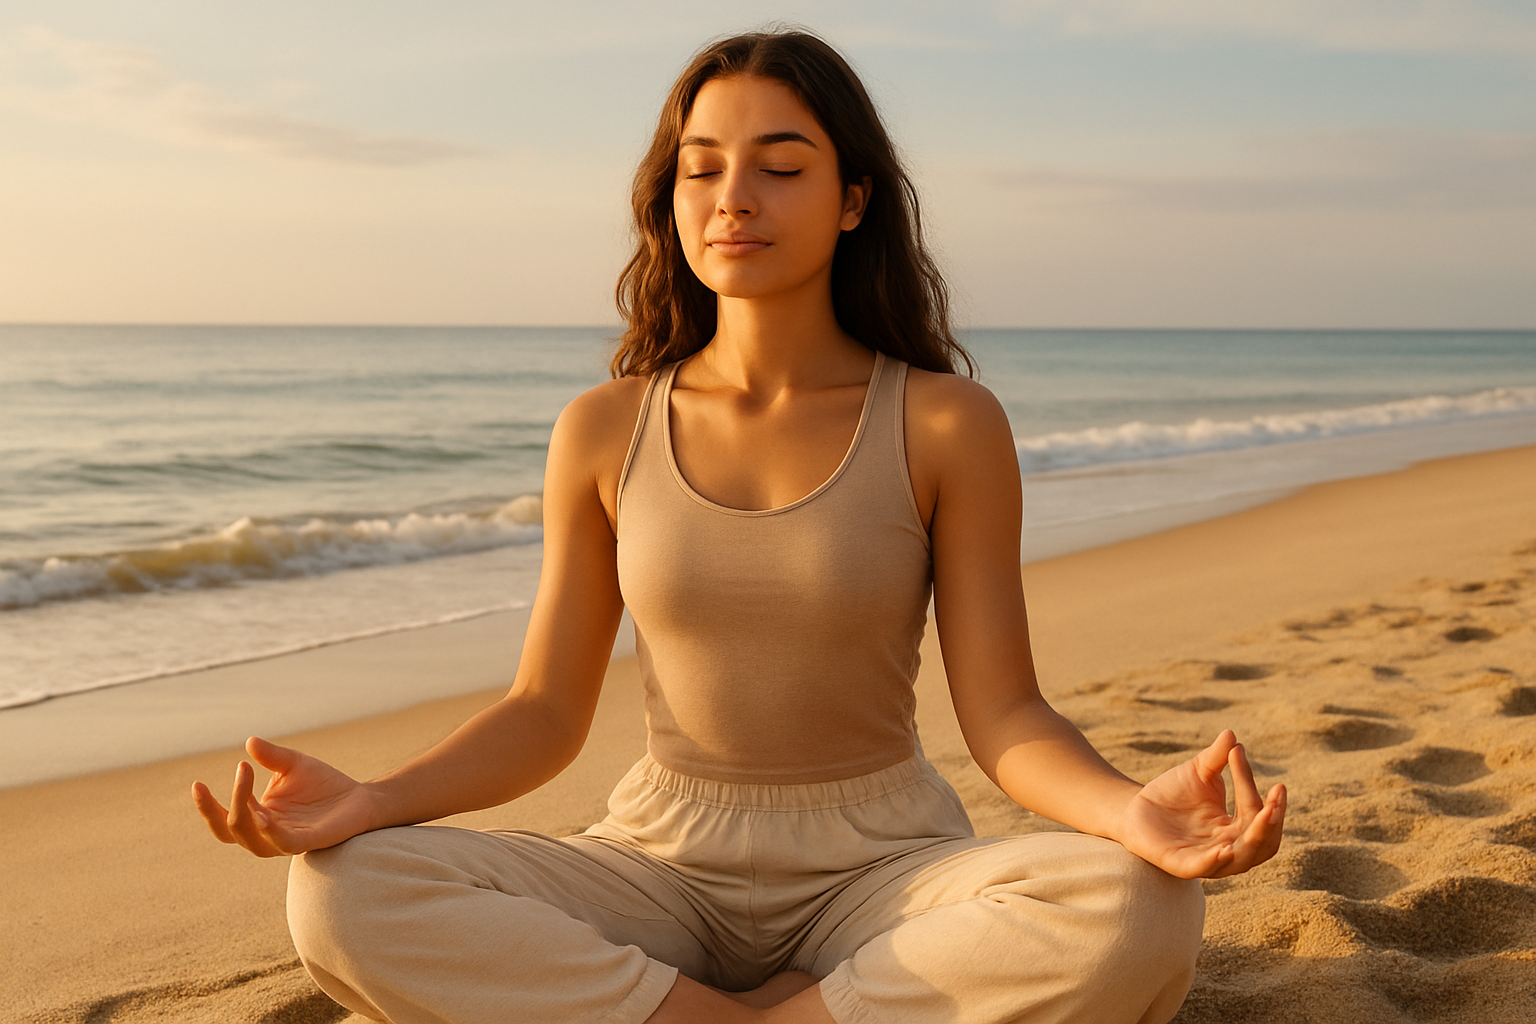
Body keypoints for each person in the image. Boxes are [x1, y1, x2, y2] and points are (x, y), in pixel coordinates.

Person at [193, 29, 1285, 1024]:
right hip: (658, 867)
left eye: (780, 165)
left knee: (1139, 904)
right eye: (701, 167)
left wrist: (1128, 811)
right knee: (345, 889)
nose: (733, 198)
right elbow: (542, 711)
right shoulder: (604, 428)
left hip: (885, 871)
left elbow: (1004, 714)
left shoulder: (946, 422)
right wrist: (374, 800)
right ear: (668, 196)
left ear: (853, 198)